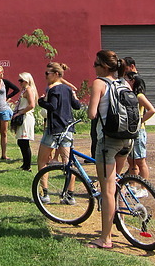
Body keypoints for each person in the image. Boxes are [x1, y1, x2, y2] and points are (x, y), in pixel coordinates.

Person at [87, 50, 132, 249]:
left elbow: (91, 113)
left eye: (96, 64)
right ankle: (120, 222)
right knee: (116, 183)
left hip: (108, 141)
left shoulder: (99, 83)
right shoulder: (123, 82)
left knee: (107, 190)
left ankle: (105, 239)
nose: (94, 67)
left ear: (104, 66)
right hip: (127, 139)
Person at [36, 62, 80, 203]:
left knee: (42, 160)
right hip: (67, 128)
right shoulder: (67, 89)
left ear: (56, 74)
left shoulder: (52, 89)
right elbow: (77, 106)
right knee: (68, 162)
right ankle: (70, 195)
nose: (45, 76)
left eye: (47, 73)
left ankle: (45, 193)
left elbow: (53, 107)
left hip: (54, 128)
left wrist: (41, 101)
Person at [122, 59, 155, 184]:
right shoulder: (129, 95)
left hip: (139, 131)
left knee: (140, 161)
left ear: (133, 81)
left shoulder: (139, 96)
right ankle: (133, 185)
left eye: (127, 80)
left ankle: (144, 187)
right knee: (131, 161)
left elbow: (151, 110)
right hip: (130, 132)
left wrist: (140, 120)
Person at [11, 72, 37, 171]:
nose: (19, 83)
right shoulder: (24, 90)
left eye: (21, 81)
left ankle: (27, 165)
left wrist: (20, 112)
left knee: (24, 142)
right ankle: (25, 164)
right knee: (21, 142)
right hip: (23, 116)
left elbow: (32, 105)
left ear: (26, 81)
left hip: (26, 117)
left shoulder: (29, 90)